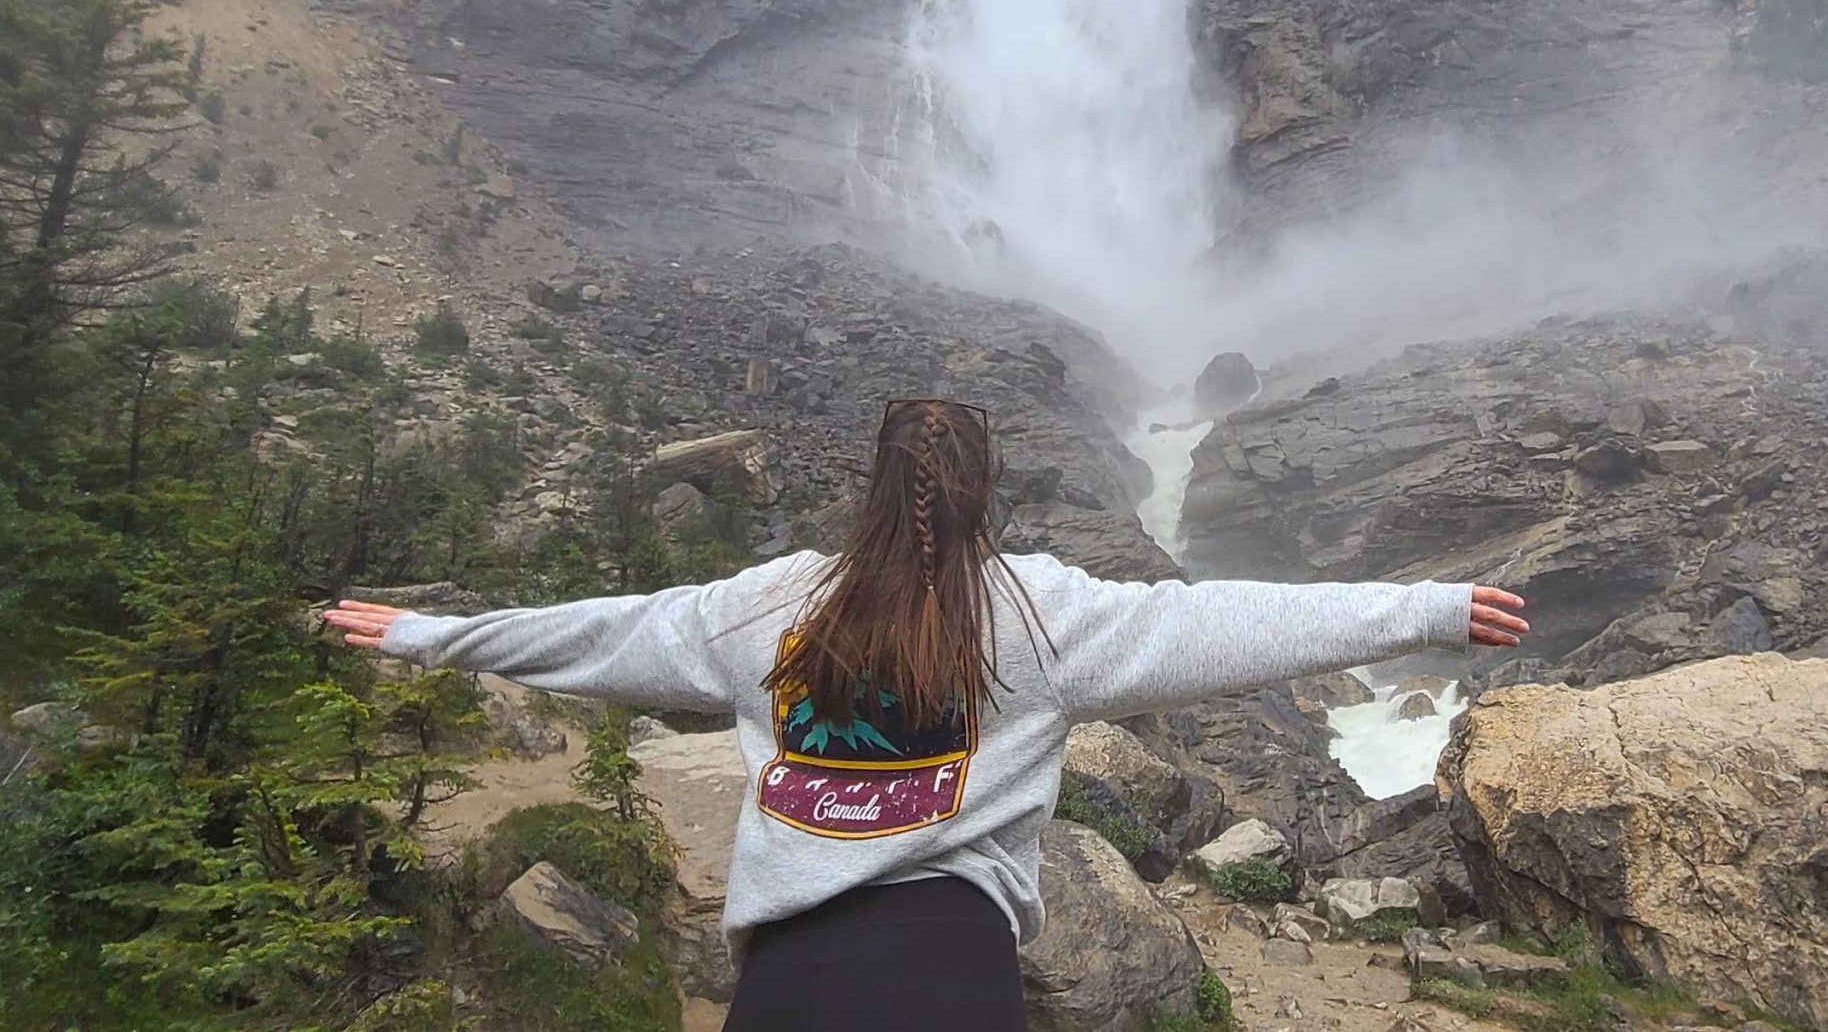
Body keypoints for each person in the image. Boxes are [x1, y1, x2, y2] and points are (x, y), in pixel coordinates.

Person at [326, 395, 1527, 1032]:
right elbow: (1220, 623)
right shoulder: (1039, 615)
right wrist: (1423, 607)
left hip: (787, 973)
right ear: (985, 489)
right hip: (952, 962)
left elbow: (600, 630)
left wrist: (431, 634)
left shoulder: (763, 608)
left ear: (870, 482)